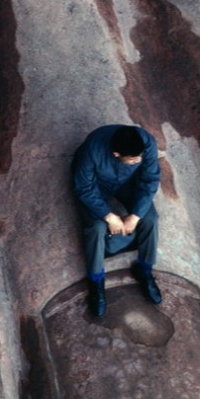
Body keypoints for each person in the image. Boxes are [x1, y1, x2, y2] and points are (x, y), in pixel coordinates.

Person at [72, 125, 163, 316]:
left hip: (127, 183)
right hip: (96, 185)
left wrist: (135, 216)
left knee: (151, 218)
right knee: (96, 228)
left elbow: (150, 180)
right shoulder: (92, 150)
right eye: (133, 159)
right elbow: (84, 187)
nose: (138, 160)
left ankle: (145, 271)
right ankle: (96, 282)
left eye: (140, 157)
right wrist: (110, 216)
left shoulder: (147, 143)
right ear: (116, 154)